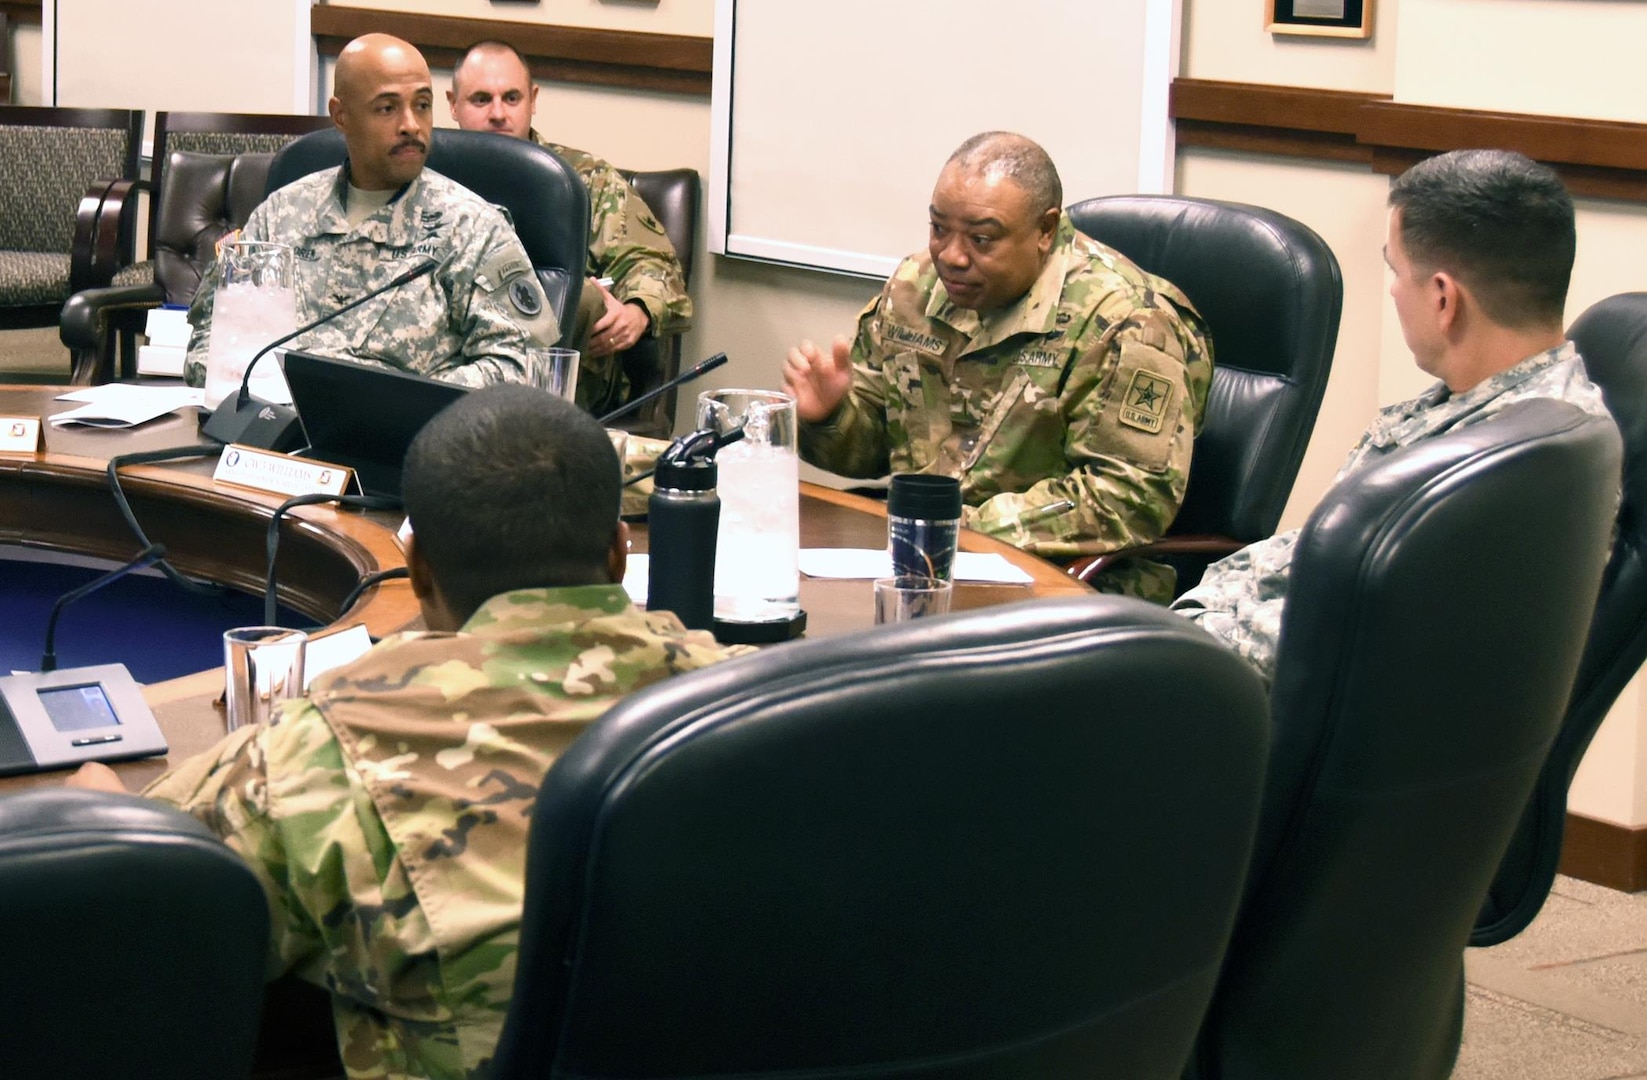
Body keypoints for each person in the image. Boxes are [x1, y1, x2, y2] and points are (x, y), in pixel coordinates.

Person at [66, 385, 746, 1079]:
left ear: (417, 570)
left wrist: (97, 808)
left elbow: (124, 916)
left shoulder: (319, 755)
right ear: (618, 553)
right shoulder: (763, 705)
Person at [1173, 149, 1615, 687]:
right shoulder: (1514, 415)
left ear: (1444, 298)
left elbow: (1322, 645)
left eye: (1396, 270)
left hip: (1240, 713)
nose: (1393, 289)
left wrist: (1167, 643)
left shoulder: (1478, 478)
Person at [782, 131, 1213, 601]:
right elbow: (871, 451)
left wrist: (959, 527)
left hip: (1066, 581)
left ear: (1045, 231)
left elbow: (1129, 496)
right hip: (921, 564)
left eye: (981, 238)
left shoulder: (1126, 322)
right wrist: (830, 417)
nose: (951, 256)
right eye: (938, 228)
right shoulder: (915, 288)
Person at [184, 34, 565, 392]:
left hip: (407, 444)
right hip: (273, 437)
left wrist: (398, 401)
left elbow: (524, 367)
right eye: (387, 108)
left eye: (422, 105)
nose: (411, 125)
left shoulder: (472, 227)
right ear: (341, 115)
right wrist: (244, 387)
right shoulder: (280, 214)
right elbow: (210, 335)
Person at [448, 39, 694, 416]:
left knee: (580, 301)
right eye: (481, 100)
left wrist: (637, 311)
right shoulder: (430, 176)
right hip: (454, 354)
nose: (498, 113)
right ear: (453, 104)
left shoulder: (578, 179)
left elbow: (653, 263)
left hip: (566, 367)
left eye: (511, 98)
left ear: (533, 100)